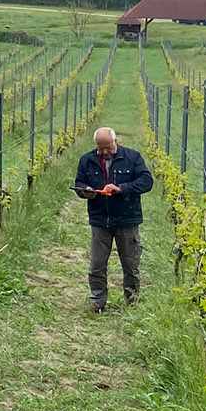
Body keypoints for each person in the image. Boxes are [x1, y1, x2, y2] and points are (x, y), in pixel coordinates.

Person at [73, 127, 153, 312]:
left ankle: (132, 300)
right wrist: (85, 192)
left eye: (108, 147)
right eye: (100, 149)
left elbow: (146, 181)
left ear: (115, 142)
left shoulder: (132, 157)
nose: (104, 152)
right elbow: (79, 183)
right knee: (97, 264)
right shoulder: (87, 160)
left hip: (127, 219)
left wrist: (121, 188)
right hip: (100, 220)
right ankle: (97, 301)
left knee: (131, 263)